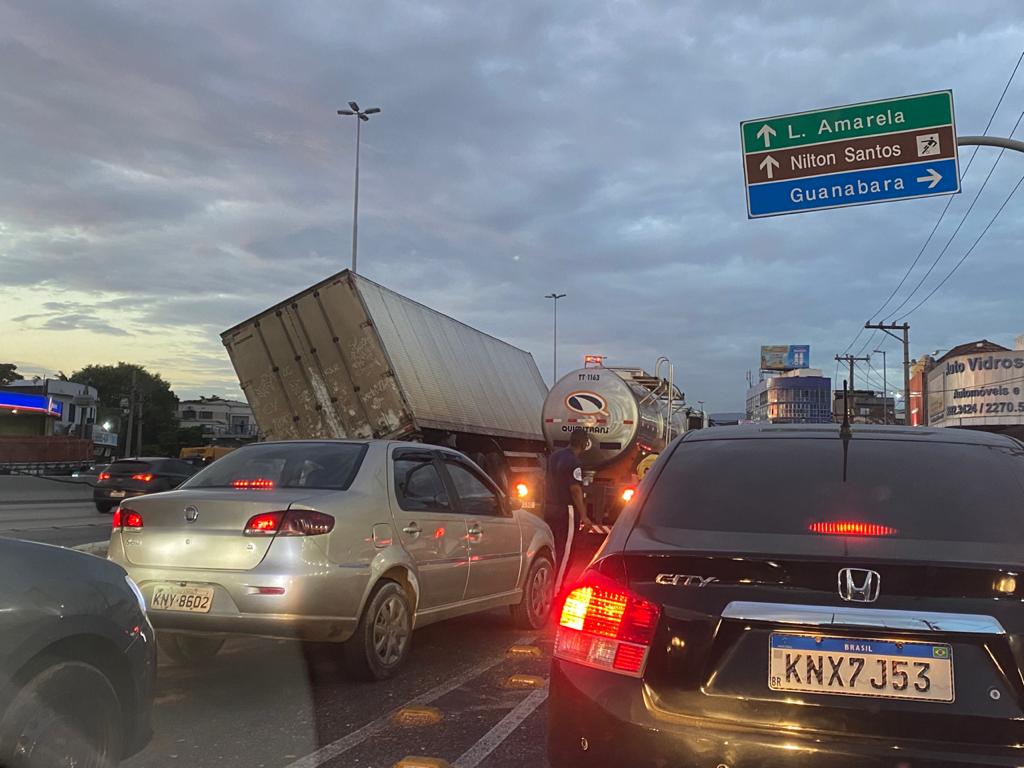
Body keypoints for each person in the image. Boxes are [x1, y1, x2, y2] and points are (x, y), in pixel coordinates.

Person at [543, 429, 594, 589]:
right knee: (565, 551)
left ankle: (548, 584)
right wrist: (584, 515)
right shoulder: (574, 462)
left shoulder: (554, 456)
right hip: (566, 510)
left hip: (550, 508)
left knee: (553, 547)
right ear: (584, 444)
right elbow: (575, 490)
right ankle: (556, 589)